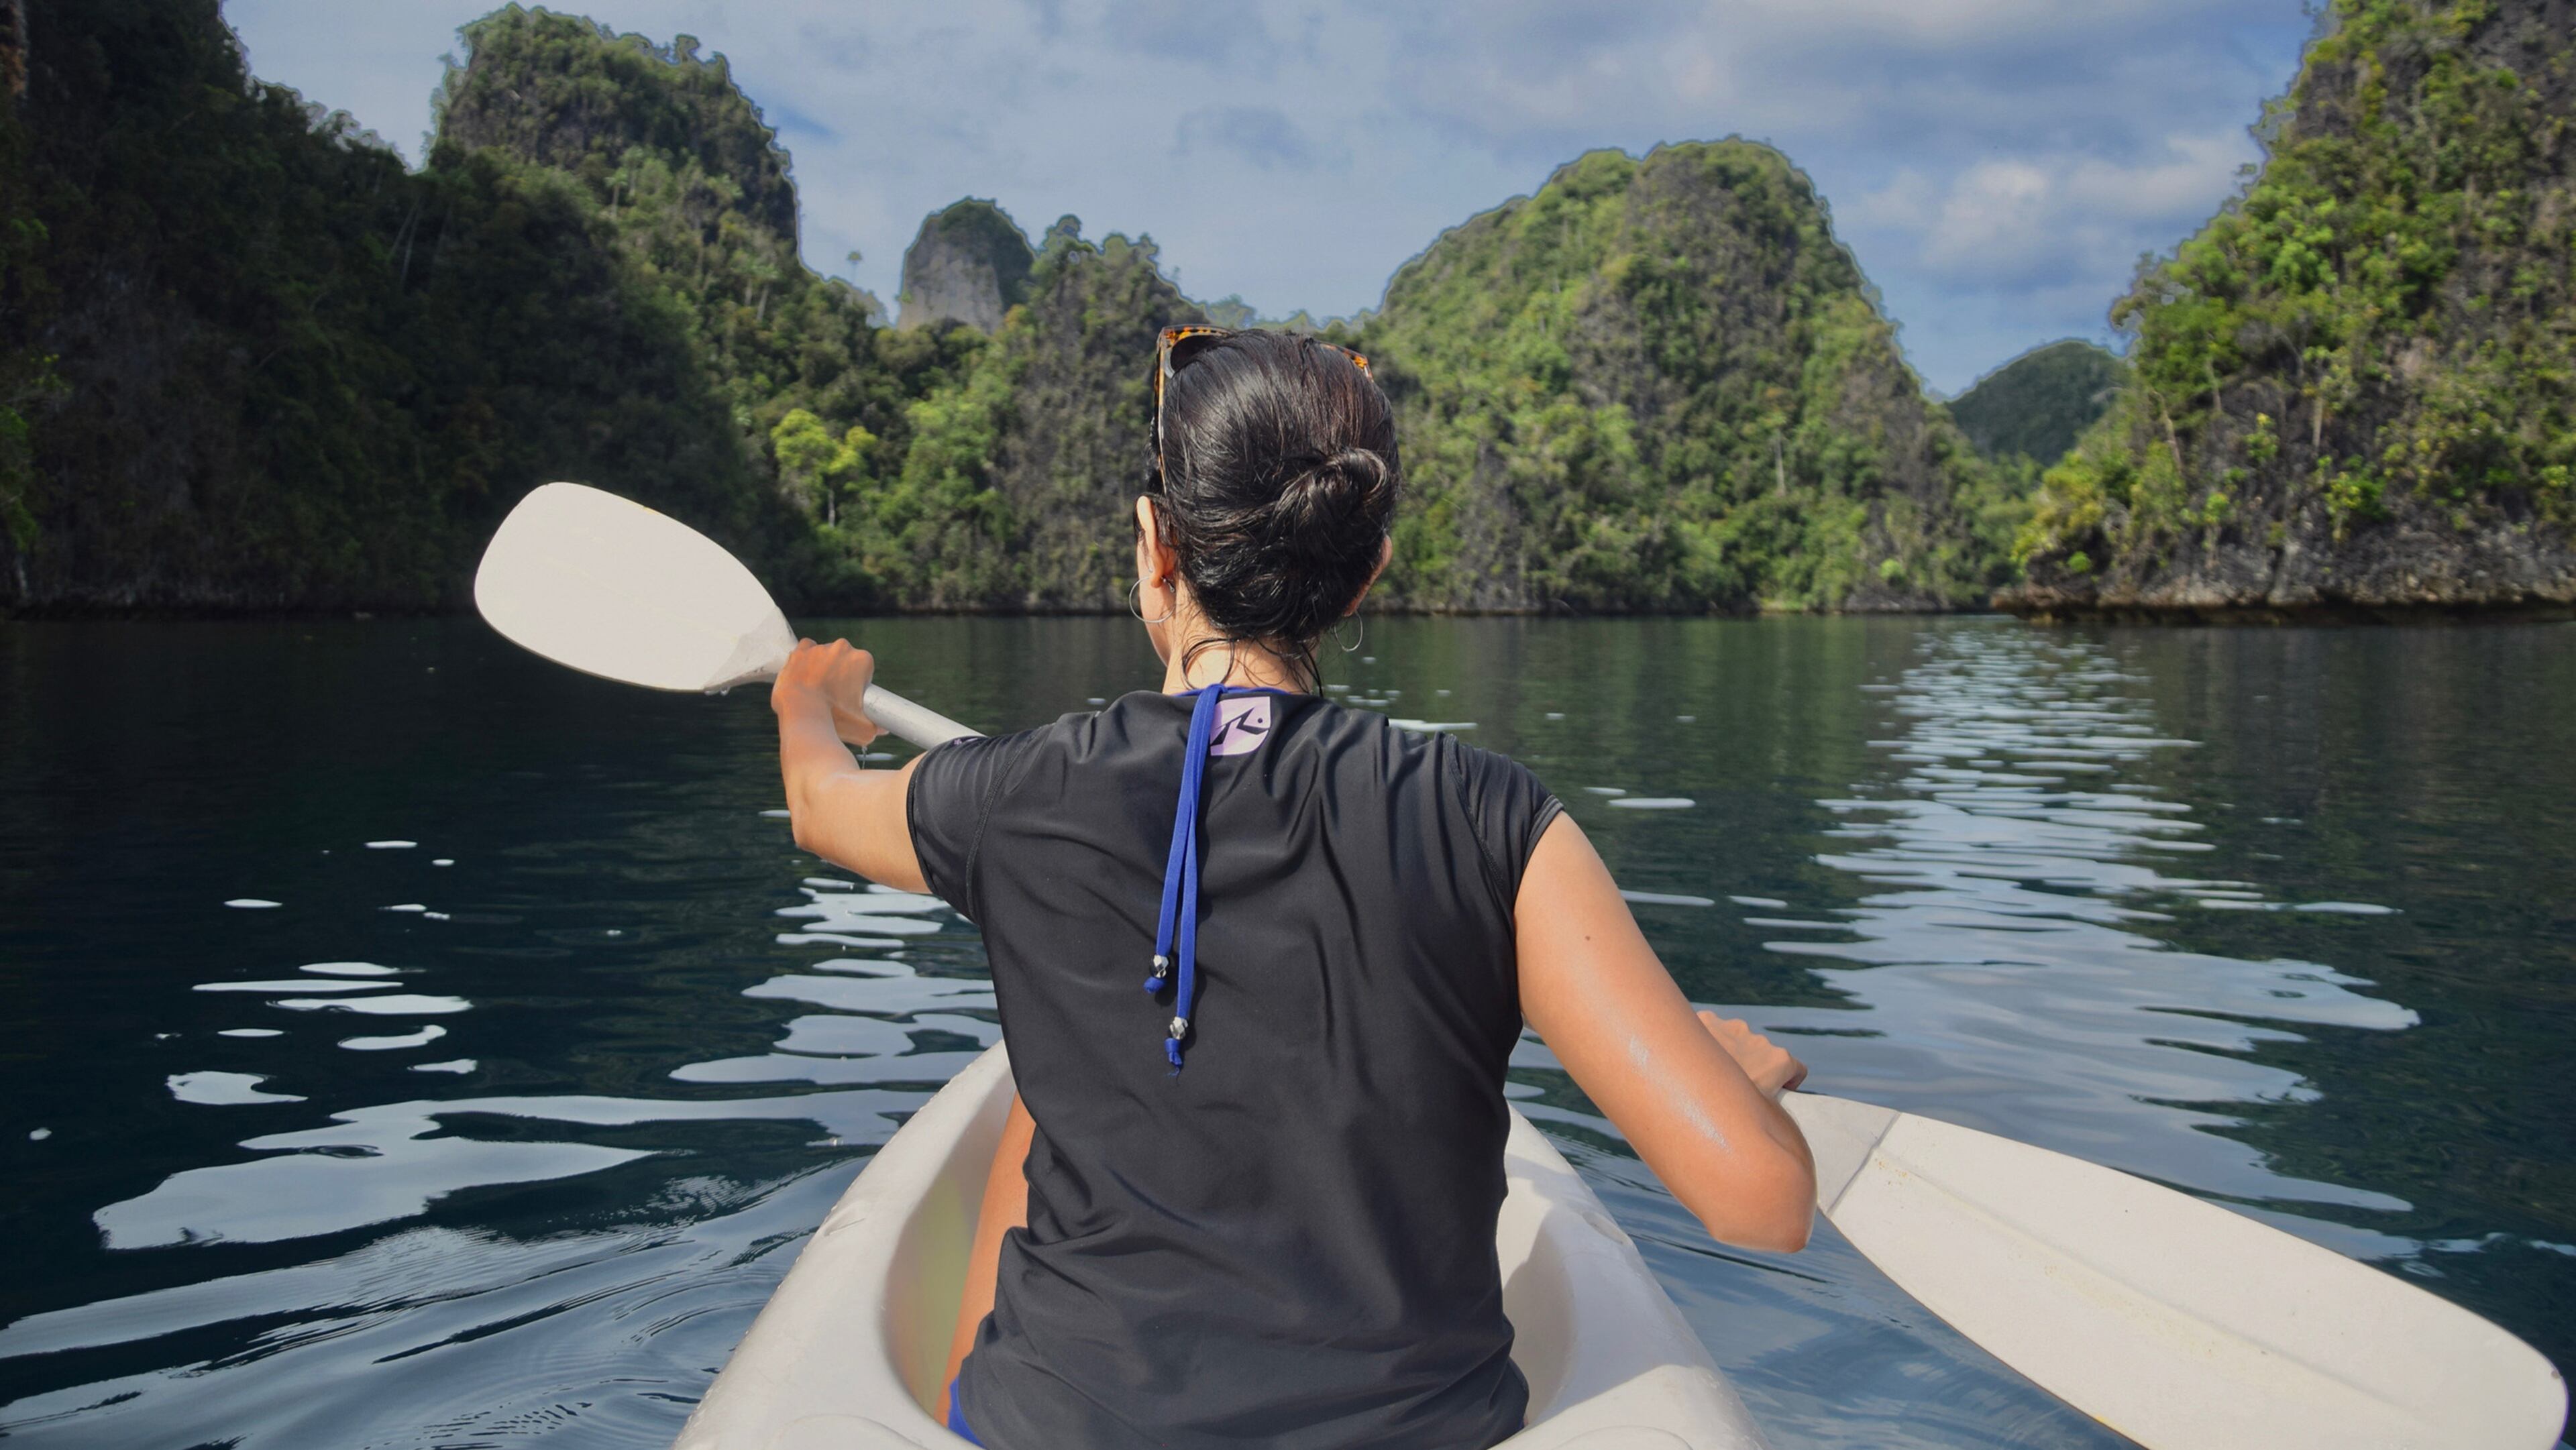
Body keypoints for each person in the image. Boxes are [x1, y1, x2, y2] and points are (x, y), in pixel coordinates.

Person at [771, 327, 1815, 1450]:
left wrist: (808, 698)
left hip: (1049, 1427)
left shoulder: (1014, 793)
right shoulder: (1495, 818)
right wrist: (1741, 1087)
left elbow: (821, 805)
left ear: (1154, 546)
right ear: (1366, 572)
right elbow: (1760, 1199)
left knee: (1040, 1088)